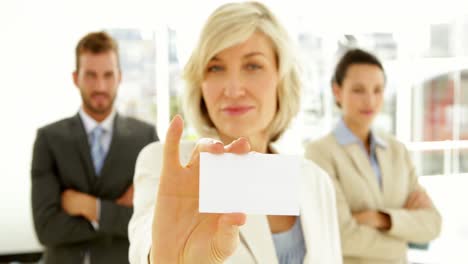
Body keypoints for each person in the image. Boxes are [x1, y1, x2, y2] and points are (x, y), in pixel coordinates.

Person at [128, 2, 342, 264]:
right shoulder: (168, 164)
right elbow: (145, 243)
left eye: (252, 66)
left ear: (281, 78)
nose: (233, 88)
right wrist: (164, 257)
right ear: (201, 84)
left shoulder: (315, 181)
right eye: (215, 68)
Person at [31, 31, 158, 264]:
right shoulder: (49, 139)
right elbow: (46, 228)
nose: (100, 85)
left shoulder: (145, 138)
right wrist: (116, 213)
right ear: (75, 77)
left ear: (119, 77)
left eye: (108, 75)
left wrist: (91, 207)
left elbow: (152, 222)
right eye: (90, 75)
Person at [306, 49, 442, 264]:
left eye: (377, 90)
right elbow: (341, 236)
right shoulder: (320, 153)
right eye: (358, 90)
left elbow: (432, 224)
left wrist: (381, 219)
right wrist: (404, 236)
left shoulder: (397, 151)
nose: (370, 100)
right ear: (337, 91)